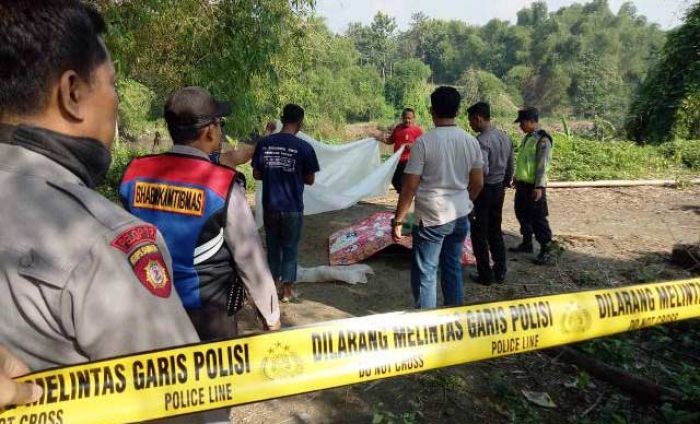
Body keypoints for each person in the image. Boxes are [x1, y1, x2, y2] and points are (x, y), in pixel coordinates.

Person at [0, 0, 200, 371]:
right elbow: (185, 408)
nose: (116, 102)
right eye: (113, 84)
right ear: (72, 93)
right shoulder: (106, 245)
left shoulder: (137, 172)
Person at [120, 87, 281, 340]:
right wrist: (270, 316)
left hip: (149, 312)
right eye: (220, 123)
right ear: (209, 130)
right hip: (208, 318)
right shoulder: (222, 185)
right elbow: (249, 257)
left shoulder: (135, 173)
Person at [392, 87, 484, 309]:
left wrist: (399, 220)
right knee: (452, 267)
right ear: (457, 110)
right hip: (460, 215)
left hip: (432, 217)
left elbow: (409, 187)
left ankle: (428, 324)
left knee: (426, 271)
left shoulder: (424, 143)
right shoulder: (470, 141)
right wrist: (465, 201)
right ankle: (454, 317)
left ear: (432, 110)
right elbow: (478, 182)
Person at [252, 104, 320, 302]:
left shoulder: (265, 143)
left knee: (273, 246)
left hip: (271, 205)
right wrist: (292, 173)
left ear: (282, 118)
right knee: (290, 247)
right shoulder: (304, 148)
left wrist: (273, 170)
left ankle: (272, 286)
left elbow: (256, 174)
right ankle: (288, 291)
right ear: (300, 123)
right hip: (292, 207)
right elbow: (310, 179)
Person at [467, 102, 515, 285]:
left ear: (478, 118)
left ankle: (485, 275)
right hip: (499, 189)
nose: (471, 125)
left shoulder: (482, 141)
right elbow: (511, 165)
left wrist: (470, 192)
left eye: (471, 121)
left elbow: (483, 171)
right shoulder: (504, 137)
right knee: (495, 230)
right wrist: (505, 182)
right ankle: (500, 270)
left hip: (484, 190)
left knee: (479, 233)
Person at [511, 107, 555, 265]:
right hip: (523, 185)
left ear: (531, 121)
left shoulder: (543, 139)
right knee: (521, 213)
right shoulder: (528, 138)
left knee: (538, 219)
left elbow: (542, 166)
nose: (520, 126)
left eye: (522, 123)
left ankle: (547, 250)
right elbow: (524, 160)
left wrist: (539, 187)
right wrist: (517, 177)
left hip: (534, 187)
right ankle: (527, 242)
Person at [380, 108, 424, 193]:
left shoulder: (417, 131)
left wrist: (411, 146)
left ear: (413, 118)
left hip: (409, 161)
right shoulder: (398, 128)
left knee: (401, 181)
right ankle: (406, 195)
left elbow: (422, 146)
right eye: (405, 118)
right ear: (402, 118)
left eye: (409, 118)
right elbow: (390, 140)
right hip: (397, 160)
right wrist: (380, 139)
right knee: (394, 179)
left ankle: (406, 196)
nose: (407, 120)